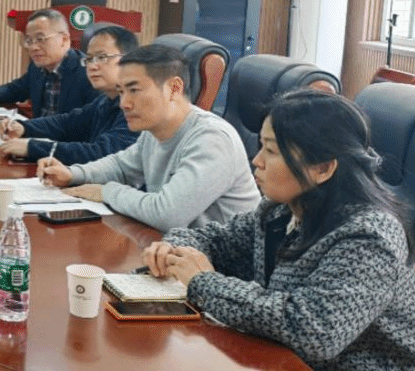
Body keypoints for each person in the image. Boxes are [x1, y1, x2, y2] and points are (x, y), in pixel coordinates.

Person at [144, 89, 415, 371]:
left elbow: (314, 331)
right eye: (261, 146)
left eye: (271, 151)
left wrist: (203, 282)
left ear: (323, 168)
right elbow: (215, 239)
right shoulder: (281, 210)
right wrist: (174, 249)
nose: (256, 161)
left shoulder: (370, 236)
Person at [38, 44, 259, 232]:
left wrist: (106, 192)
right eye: (121, 92)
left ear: (174, 88)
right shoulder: (154, 130)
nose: (124, 103)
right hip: (174, 250)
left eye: (134, 90)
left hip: (218, 264)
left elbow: (168, 214)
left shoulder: (212, 138)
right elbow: (121, 167)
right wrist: (73, 174)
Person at [0, 25, 139, 164]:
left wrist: (32, 148)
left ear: (129, 59)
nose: (92, 66)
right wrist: (24, 127)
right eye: (89, 59)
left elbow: (103, 153)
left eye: (102, 57)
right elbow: (68, 123)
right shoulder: (105, 100)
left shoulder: (136, 106)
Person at [0, 8, 98, 117]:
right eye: (29, 40)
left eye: (40, 39)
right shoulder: (37, 68)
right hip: (38, 137)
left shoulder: (89, 73)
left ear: (64, 40)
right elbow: (17, 88)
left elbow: (87, 127)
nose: (33, 47)